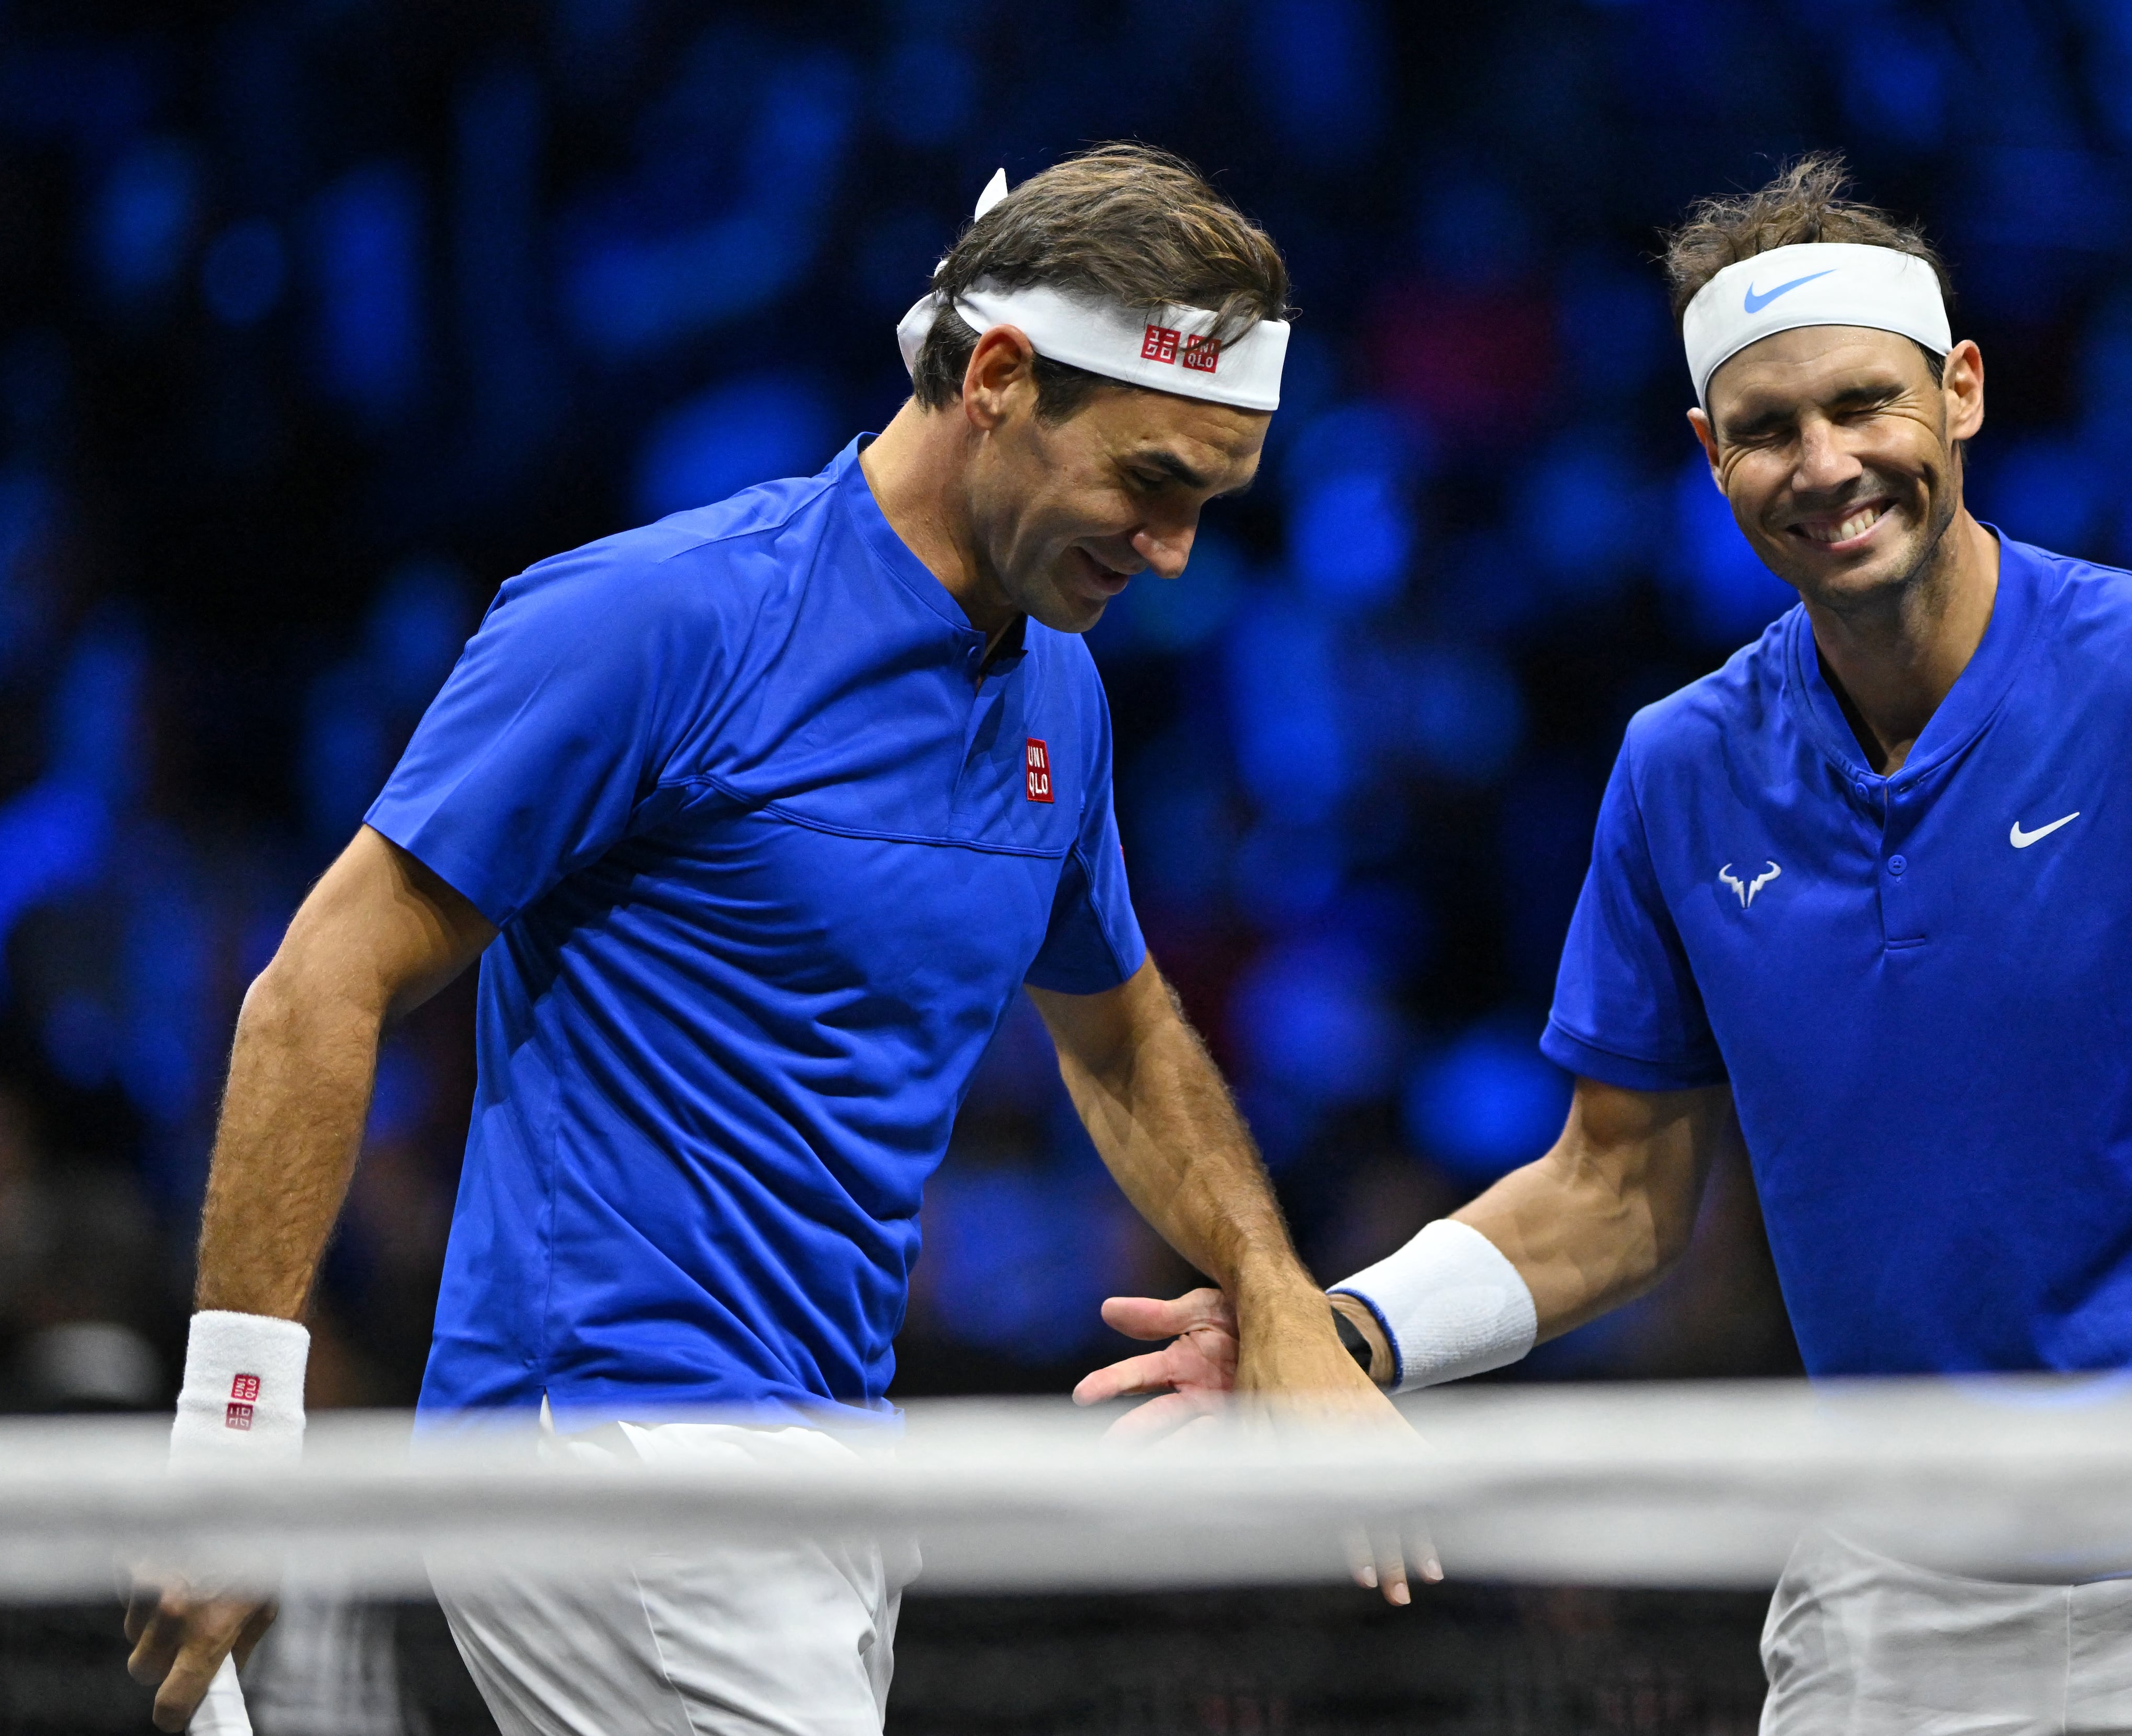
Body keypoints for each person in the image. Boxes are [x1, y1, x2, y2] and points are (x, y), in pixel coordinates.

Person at [1078, 155, 2132, 1736]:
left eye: (1869, 405)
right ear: (1708, 457)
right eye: (1773, 427)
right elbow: (1615, 1193)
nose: (1830, 462)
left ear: (1965, 395)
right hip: (1896, 1606)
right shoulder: (1679, 767)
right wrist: (1350, 1328)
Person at [124, 144, 1394, 1736]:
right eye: (1151, 484)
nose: (1174, 552)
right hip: (610, 1447)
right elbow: (316, 982)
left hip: (824, 1464)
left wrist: (1273, 1287)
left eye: (1210, 504)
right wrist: (233, 1441)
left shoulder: (1058, 687)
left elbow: (1125, 1028)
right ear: (998, 377)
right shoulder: (659, 620)